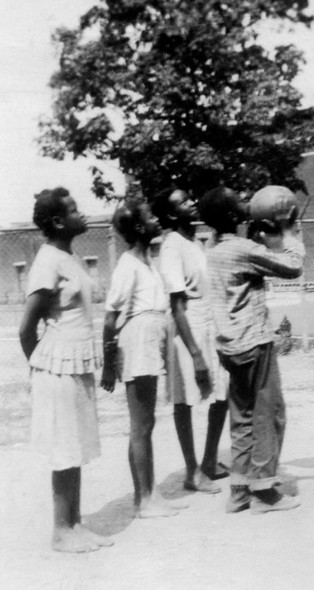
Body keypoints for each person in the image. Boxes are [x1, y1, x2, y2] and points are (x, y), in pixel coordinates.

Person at [19, 187, 112, 552]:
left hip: (77, 363)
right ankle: (60, 531)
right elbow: (27, 329)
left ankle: (75, 524)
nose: (82, 214)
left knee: (76, 446)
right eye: (74, 210)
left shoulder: (69, 256)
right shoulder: (47, 262)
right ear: (58, 221)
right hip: (56, 368)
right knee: (64, 448)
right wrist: (41, 369)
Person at [202, 185, 304, 514]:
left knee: (242, 418)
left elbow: (250, 255)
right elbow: (292, 266)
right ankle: (264, 492)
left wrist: (260, 231)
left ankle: (239, 491)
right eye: (239, 203)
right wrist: (288, 229)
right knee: (270, 415)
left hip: (230, 347)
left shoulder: (214, 246)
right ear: (234, 216)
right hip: (254, 341)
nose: (246, 204)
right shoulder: (243, 250)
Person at [101, 202, 185, 518]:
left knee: (147, 424)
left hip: (150, 342)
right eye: (150, 217)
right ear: (138, 228)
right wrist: (109, 364)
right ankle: (144, 499)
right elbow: (110, 320)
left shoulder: (147, 262)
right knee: (141, 425)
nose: (156, 220)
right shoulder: (127, 265)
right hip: (136, 344)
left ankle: (149, 494)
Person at [152, 189, 229, 494]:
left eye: (190, 198)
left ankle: (209, 460)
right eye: (183, 202)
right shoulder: (171, 246)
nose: (192, 202)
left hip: (210, 324)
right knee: (185, 400)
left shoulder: (197, 242)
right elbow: (177, 306)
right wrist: (195, 354)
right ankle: (191, 470)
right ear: (171, 215)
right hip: (187, 329)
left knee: (221, 393)